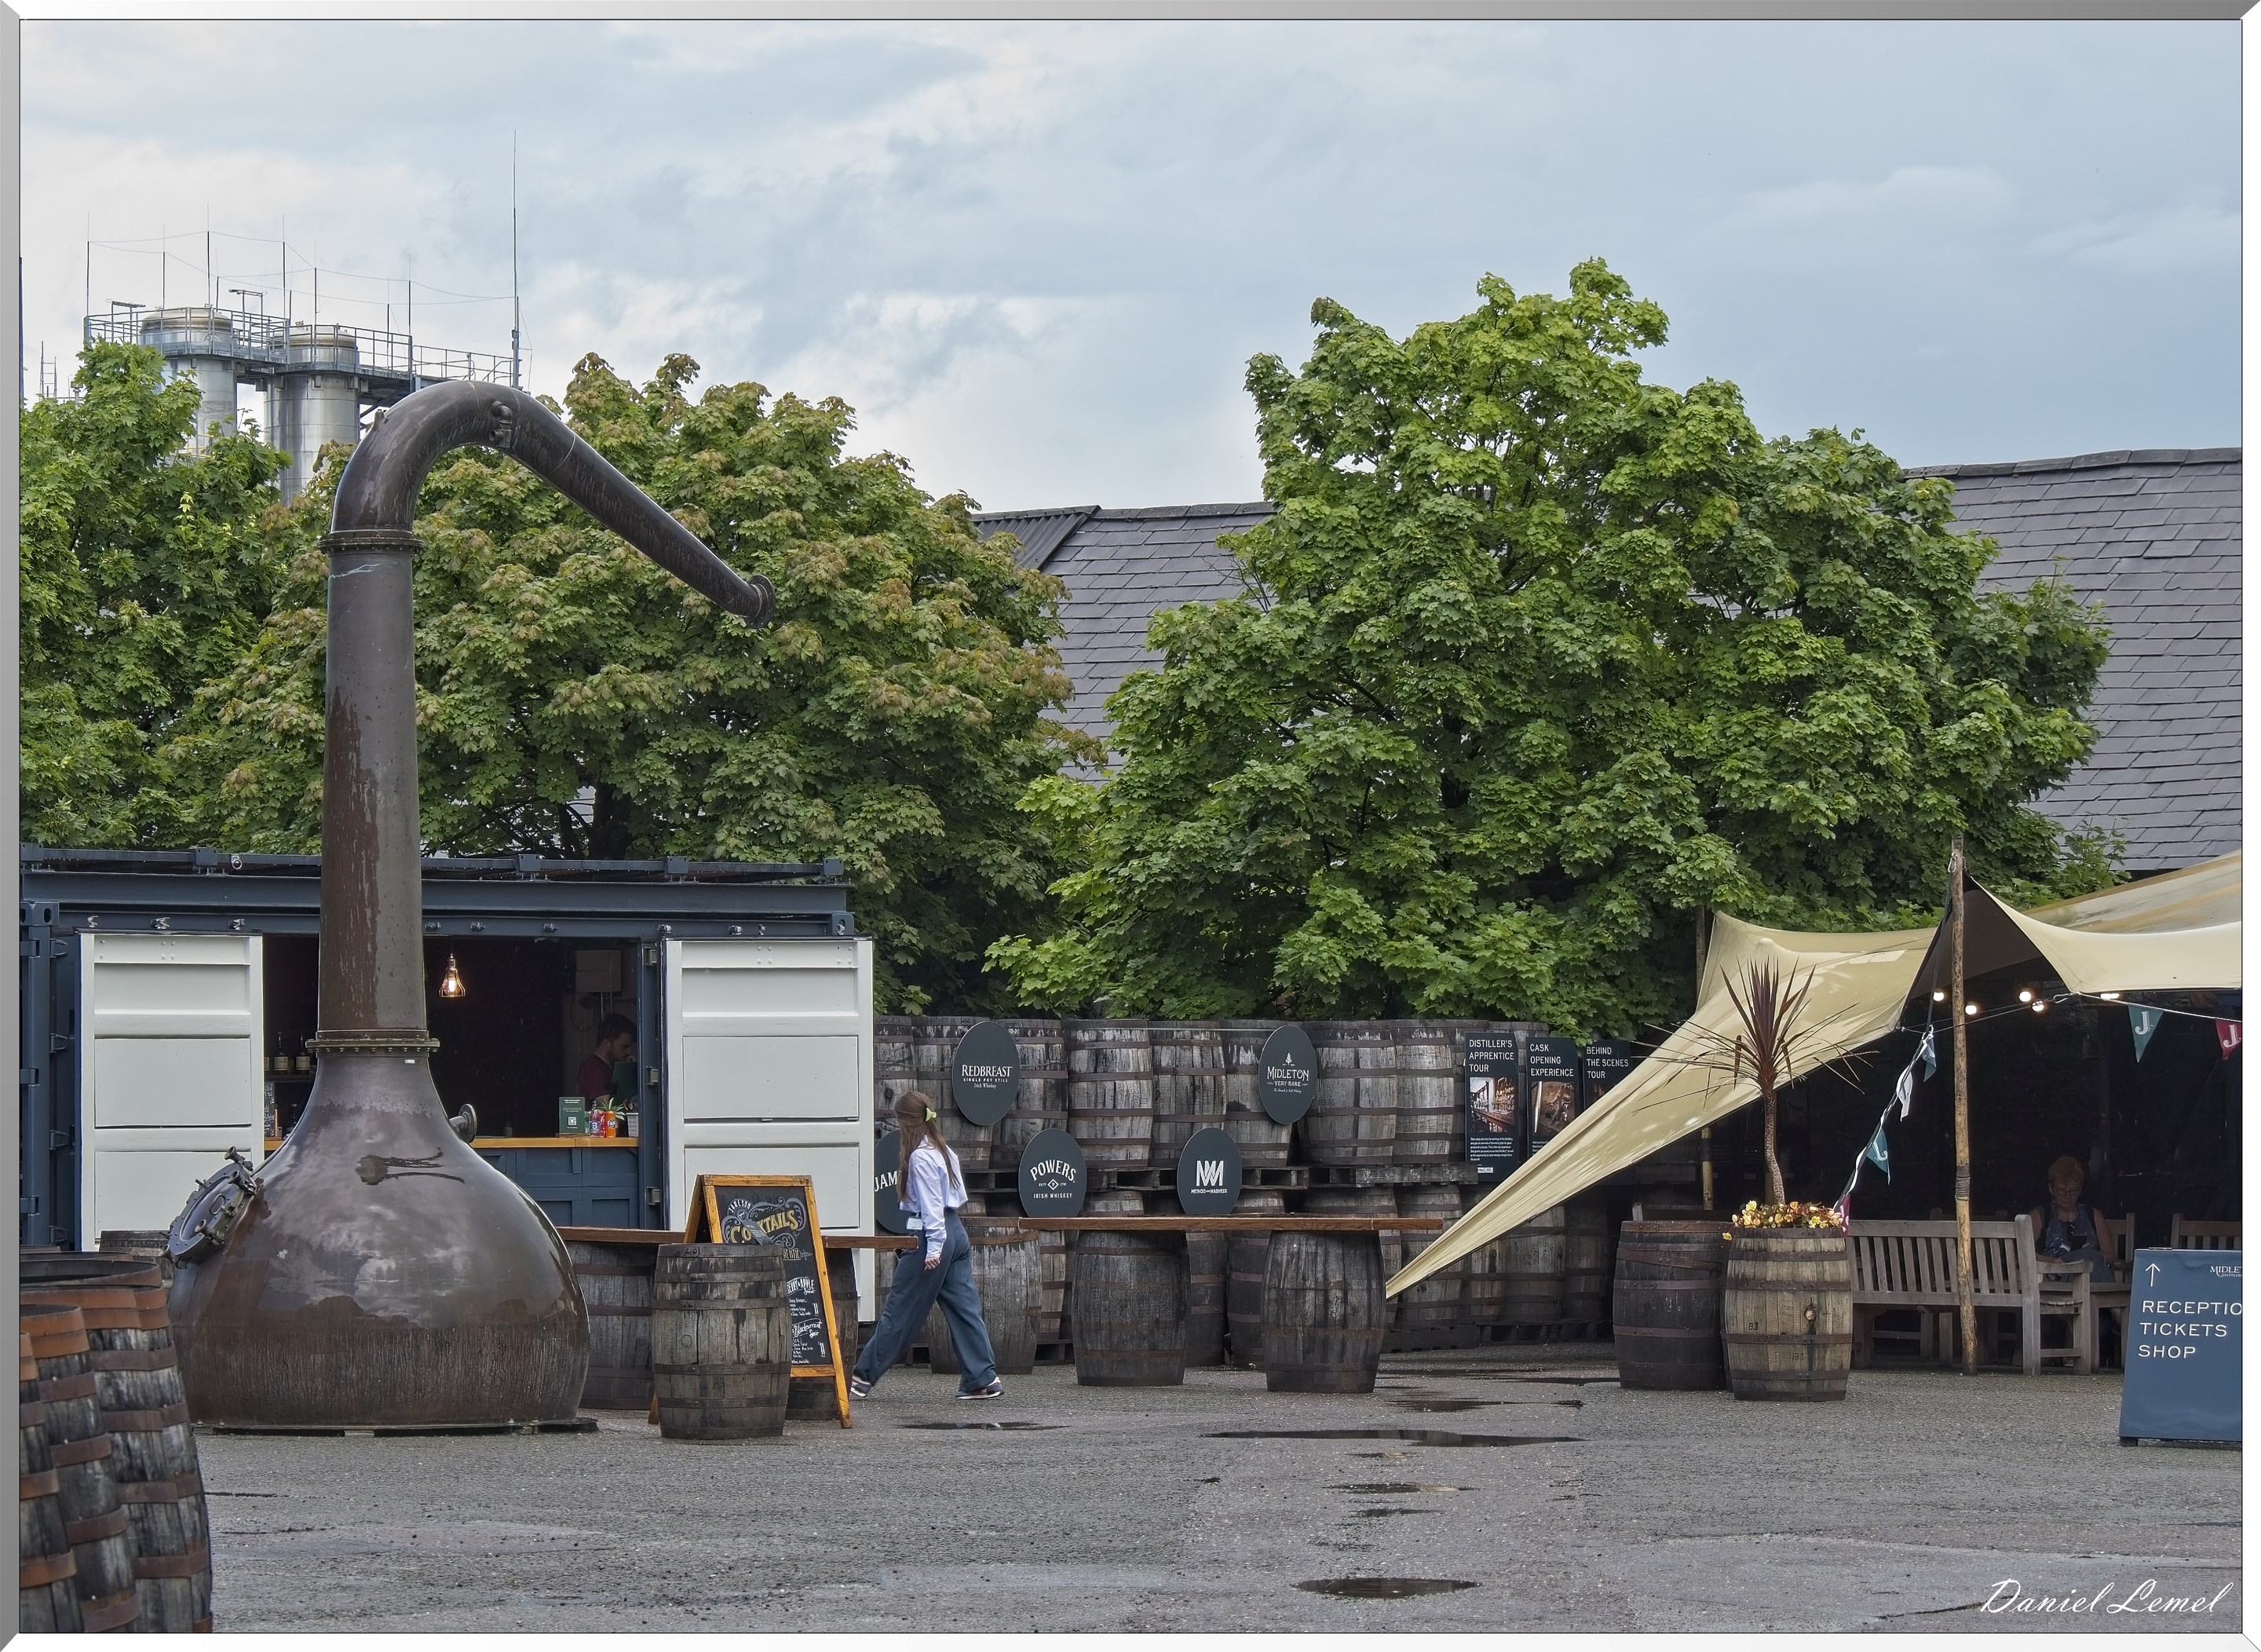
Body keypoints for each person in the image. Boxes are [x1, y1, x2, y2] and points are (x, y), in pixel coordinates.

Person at [849, 1091, 1003, 1402]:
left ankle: (860, 1378)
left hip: (932, 1235)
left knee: (901, 1309)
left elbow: (931, 1207)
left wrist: (933, 1249)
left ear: (906, 1123)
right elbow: (956, 1197)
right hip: (956, 1231)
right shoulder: (943, 1150)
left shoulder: (920, 1158)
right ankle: (983, 1379)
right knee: (965, 1310)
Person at [2031, 1155, 2117, 1283]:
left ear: (2080, 1189)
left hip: (2090, 1277)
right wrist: (2052, 1261)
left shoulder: (2093, 1215)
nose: (2067, 1196)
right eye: (2062, 1191)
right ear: (2051, 1189)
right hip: (2054, 1278)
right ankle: (2109, 1295)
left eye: (2073, 1191)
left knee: (2088, 1257)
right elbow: (2023, 1253)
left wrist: (2085, 1256)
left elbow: (2111, 1257)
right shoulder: (2041, 1215)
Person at [579, 1014, 636, 1106]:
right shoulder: (592, 1068)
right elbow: (608, 1105)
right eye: (624, 1047)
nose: (629, 1051)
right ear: (606, 1044)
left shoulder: (610, 1067)